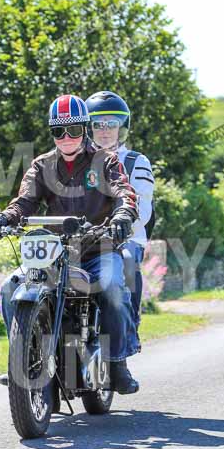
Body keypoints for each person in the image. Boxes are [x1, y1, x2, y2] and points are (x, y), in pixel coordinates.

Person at [0, 94, 140, 394]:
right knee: (8, 287)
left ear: (84, 129)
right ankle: (22, 355)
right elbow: (24, 202)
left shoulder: (105, 161)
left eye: (74, 131)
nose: (66, 138)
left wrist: (122, 214)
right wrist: (4, 218)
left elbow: (124, 191)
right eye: (58, 131)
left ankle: (117, 363)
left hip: (98, 247)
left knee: (111, 286)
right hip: (54, 252)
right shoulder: (42, 165)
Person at [85, 91, 155, 354]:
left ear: (121, 127)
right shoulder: (79, 163)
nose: (105, 131)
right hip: (86, 239)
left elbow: (143, 208)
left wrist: (120, 223)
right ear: (89, 128)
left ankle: (129, 332)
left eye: (111, 124)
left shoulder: (136, 161)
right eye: (98, 124)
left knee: (125, 259)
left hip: (127, 237)